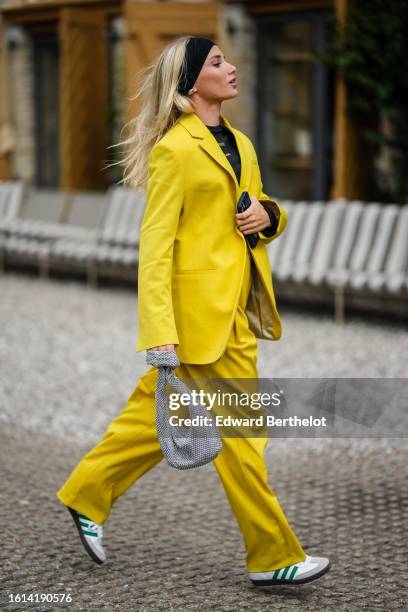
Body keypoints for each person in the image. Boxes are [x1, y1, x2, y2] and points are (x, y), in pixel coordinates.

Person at [56, 35, 331, 587]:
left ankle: (86, 493)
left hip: (235, 313)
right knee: (243, 440)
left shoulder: (241, 143)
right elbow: (155, 248)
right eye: (216, 62)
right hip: (194, 318)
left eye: (227, 59)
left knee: (154, 420)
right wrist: (160, 332)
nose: (231, 68)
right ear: (189, 82)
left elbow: (257, 206)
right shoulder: (175, 150)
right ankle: (274, 555)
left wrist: (267, 217)